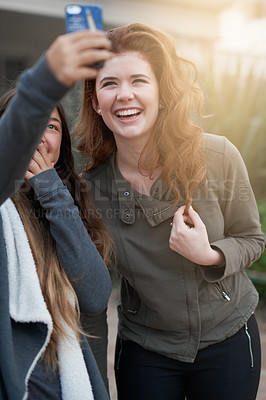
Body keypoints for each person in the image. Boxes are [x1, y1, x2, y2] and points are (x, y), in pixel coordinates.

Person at [74, 23, 266, 400]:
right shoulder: (90, 189)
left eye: (139, 80)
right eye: (109, 84)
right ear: (96, 102)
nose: (124, 95)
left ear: (161, 91)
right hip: (146, 350)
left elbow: (252, 239)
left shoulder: (219, 155)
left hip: (226, 338)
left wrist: (209, 254)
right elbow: (87, 285)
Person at [0, 30, 112, 400]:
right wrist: (47, 78)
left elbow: (96, 297)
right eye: (29, 125)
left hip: (64, 384)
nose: (39, 134)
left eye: (51, 126)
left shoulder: (68, 203)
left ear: (60, 143)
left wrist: (51, 190)